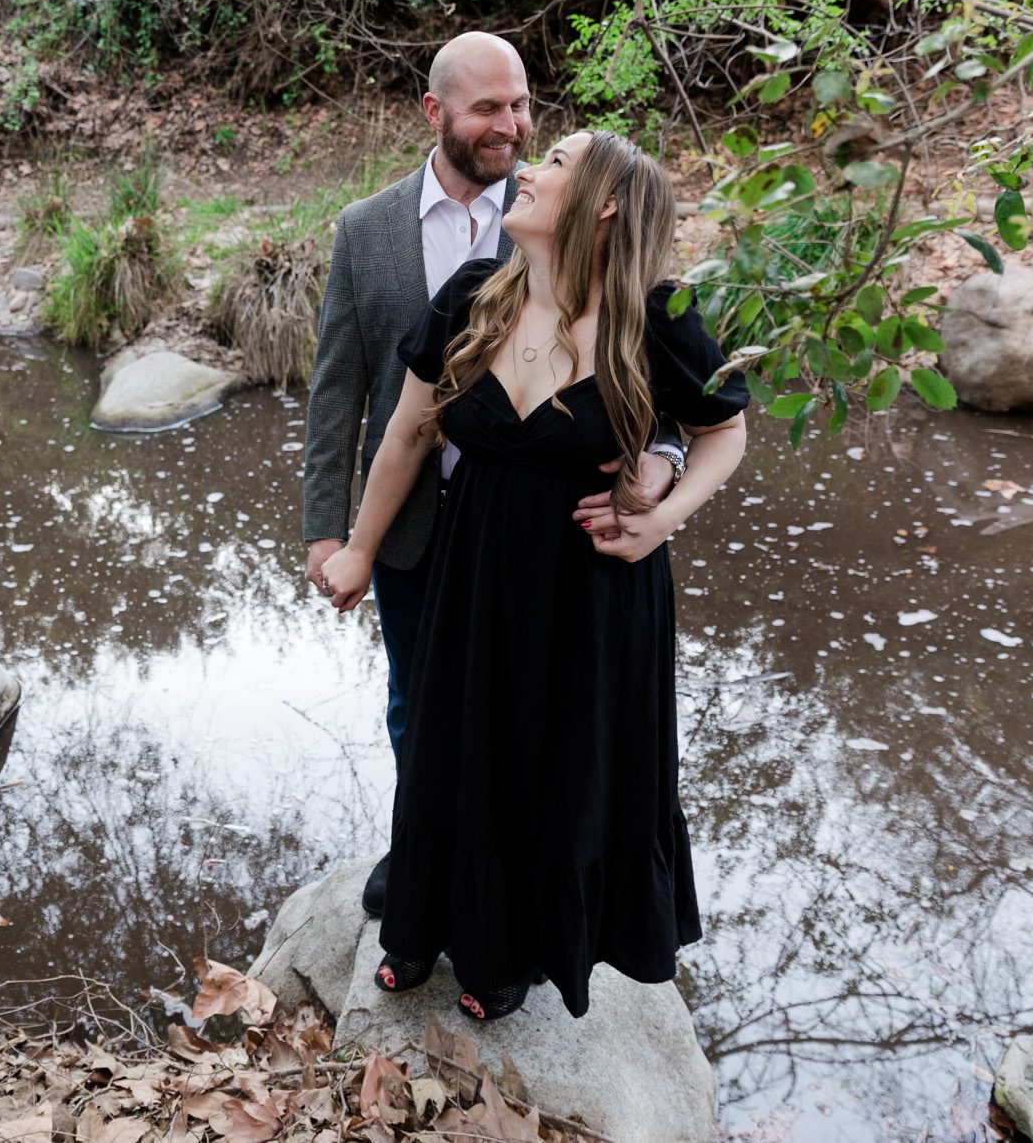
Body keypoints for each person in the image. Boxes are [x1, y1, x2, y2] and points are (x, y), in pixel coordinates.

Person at [317, 128, 749, 1023]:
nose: (529, 170)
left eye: (553, 162)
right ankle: (426, 926)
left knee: (555, 761)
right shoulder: (474, 295)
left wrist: (660, 518)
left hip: (591, 594)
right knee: (459, 742)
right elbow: (405, 431)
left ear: (601, 202)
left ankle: (509, 953)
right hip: (474, 577)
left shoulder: (655, 317)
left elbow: (725, 430)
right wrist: (358, 547)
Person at [299, 32, 688, 920]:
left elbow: (655, 382)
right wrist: (332, 531)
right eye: (487, 109)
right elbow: (340, 392)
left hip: (540, 532)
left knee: (531, 717)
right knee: (420, 707)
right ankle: (426, 854)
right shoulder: (367, 231)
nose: (510, 126)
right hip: (410, 528)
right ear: (436, 114)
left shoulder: (569, 209)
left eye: (520, 106)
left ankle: (513, 887)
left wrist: (659, 473)